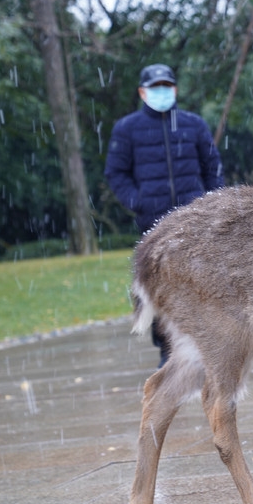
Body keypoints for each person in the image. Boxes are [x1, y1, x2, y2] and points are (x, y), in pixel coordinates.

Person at [104, 63, 224, 368]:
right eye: (155, 87)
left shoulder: (193, 125)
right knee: (161, 289)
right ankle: (167, 352)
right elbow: (115, 172)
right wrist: (138, 201)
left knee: (201, 285)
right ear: (143, 92)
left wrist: (210, 205)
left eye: (166, 86)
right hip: (153, 223)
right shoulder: (127, 129)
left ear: (175, 90)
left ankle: (204, 347)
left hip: (195, 224)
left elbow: (213, 168)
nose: (162, 92)